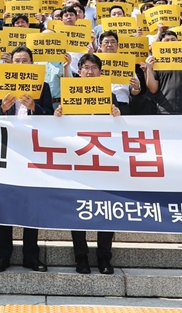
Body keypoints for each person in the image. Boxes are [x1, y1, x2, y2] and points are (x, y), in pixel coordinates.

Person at [0, 46, 52, 272]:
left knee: (31, 204)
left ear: (32, 64)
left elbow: (50, 117)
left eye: (25, 60)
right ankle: (2, 255)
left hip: (32, 150)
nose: (21, 64)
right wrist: (3, 110)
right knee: (5, 203)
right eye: (17, 60)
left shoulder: (43, 86)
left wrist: (34, 107)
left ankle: (31, 256)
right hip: (7, 151)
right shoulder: (1, 85)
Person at [53, 54, 118, 275]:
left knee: (106, 209)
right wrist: (58, 115)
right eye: (86, 68)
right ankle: (81, 257)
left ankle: (104, 257)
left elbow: (121, 129)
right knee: (77, 209)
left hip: (103, 160)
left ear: (101, 72)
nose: (90, 72)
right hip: (77, 159)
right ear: (79, 72)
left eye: (94, 68)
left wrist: (117, 115)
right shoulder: (69, 93)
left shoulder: (109, 95)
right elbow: (59, 128)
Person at [144, 30, 182, 115]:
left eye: (173, 39)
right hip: (164, 110)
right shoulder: (156, 62)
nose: (170, 42)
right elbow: (153, 89)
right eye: (167, 40)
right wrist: (149, 69)